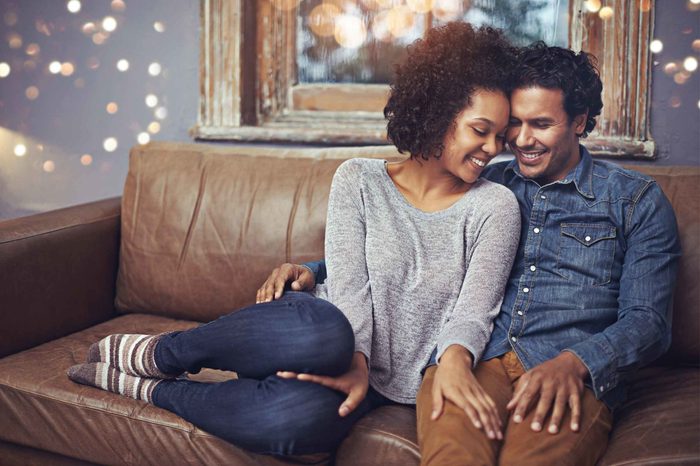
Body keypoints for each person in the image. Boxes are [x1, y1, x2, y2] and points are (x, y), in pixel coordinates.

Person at [66, 22, 522, 456]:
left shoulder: (495, 206)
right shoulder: (359, 180)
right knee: (327, 332)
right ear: (438, 113)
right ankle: (161, 353)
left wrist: (446, 362)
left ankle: (155, 389)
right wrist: (357, 361)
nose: (492, 148)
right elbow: (350, 289)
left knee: (294, 423)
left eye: (501, 136)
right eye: (480, 131)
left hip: (391, 383)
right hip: (320, 339)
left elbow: (473, 312)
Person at [265, 43, 681, 465]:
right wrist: (315, 270)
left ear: (579, 121)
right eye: (513, 124)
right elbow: (410, 248)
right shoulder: (484, 185)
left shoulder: (635, 201)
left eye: (540, 124)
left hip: (566, 370)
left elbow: (649, 322)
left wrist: (577, 363)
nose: (520, 140)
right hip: (472, 357)